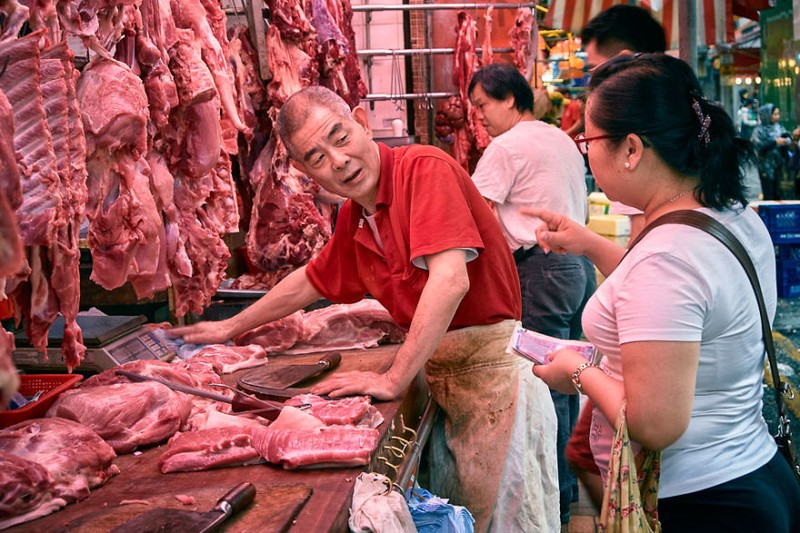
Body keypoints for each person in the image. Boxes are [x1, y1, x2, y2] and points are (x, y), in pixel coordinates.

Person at [170, 85, 559, 532]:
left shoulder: (423, 169)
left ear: (362, 121)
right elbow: (311, 281)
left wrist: (394, 377)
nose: (337, 161)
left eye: (340, 137)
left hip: (496, 385)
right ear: (302, 170)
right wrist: (229, 328)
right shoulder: (355, 217)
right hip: (449, 389)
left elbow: (450, 279)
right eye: (316, 158)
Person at [525, 53, 800, 531]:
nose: (584, 150)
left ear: (631, 149)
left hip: (701, 503)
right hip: (751, 474)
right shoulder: (731, 214)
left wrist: (580, 372)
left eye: (587, 139)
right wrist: (589, 244)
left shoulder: (667, 257)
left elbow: (655, 425)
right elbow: (675, 303)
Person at [468, 63, 595, 530]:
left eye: (482, 105)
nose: (479, 116)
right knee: (569, 384)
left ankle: (556, 504)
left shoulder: (505, 146)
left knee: (548, 388)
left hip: (541, 270)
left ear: (508, 99)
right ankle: (565, 492)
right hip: (578, 269)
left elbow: (477, 219)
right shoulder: (558, 137)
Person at [580, 4, 667, 241]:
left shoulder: (637, 132)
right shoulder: (668, 113)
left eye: (593, 69)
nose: (591, 82)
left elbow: (641, 236)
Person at [752, 103, 792, 200]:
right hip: (765, 167)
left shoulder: (778, 127)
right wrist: (775, 142)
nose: (777, 116)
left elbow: (786, 139)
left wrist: (787, 139)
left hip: (779, 166)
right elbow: (759, 147)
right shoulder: (759, 131)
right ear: (767, 115)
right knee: (768, 193)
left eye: (778, 114)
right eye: (774, 114)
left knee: (779, 194)